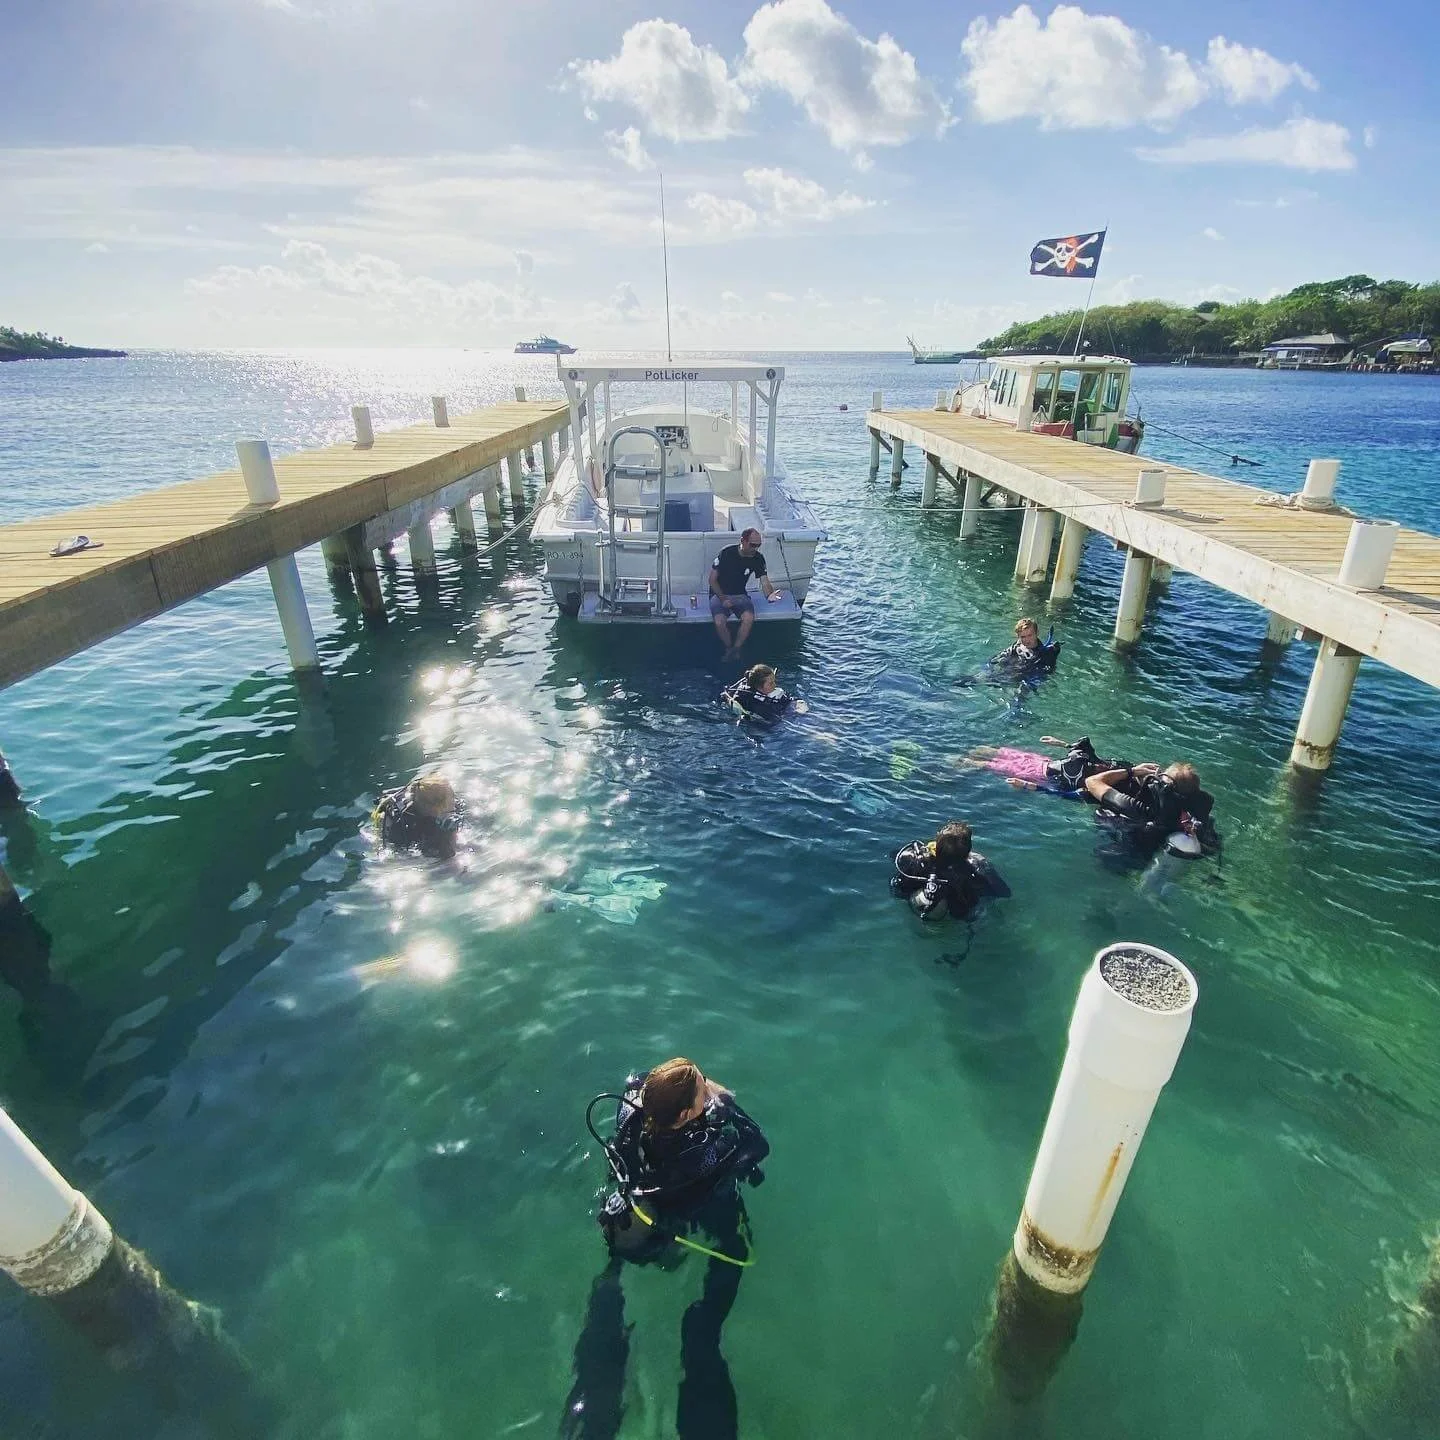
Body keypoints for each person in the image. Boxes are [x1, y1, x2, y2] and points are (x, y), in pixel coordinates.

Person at [565, 1058, 769, 1440]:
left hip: (637, 1212)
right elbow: (757, 1145)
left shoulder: (630, 1111)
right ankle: (702, 1332)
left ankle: (610, 1299)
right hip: (684, 1210)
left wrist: (691, 1087)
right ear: (686, 1114)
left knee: (619, 1263)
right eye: (700, 1092)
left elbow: (639, 1078)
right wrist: (725, 1100)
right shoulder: (707, 1152)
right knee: (735, 1249)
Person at [1084, 761, 1218, 859]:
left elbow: (1092, 781)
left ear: (1160, 788)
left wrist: (1132, 771)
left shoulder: (1136, 808)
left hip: (1123, 853)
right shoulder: (1195, 823)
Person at [890, 821, 1011, 921]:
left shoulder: (915, 858)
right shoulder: (975, 868)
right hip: (955, 913)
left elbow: (893, 856)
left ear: (937, 843)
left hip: (919, 903)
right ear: (967, 852)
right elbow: (1004, 893)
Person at [959, 735, 1131, 797]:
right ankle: (959, 750)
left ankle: (951, 765)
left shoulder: (1091, 788)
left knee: (985, 764)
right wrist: (1059, 743)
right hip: (1042, 761)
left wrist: (1026, 785)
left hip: (1037, 774)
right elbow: (1083, 744)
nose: (1106, 767)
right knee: (993, 751)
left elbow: (1061, 794)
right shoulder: (1097, 762)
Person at [708, 529, 784, 658]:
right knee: (719, 621)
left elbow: (764, 581)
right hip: (719, 594)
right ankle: (728, 647)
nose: (755, 548)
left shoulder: (758, 558)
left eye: (758, 545)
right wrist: (722, 599)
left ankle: (736, 649)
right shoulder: (726, 553)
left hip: (740, 594)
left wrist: (769, 595)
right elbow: (712, 580)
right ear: (743, 541)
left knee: (748, 618)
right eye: (753, 545)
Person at [372, 772, 461, 860]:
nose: (454, 800)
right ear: (439, 806)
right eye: (452, 797)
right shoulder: (405, 827)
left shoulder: (449, 807)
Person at [720, 664, 804, 726]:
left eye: (774, 681)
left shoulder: (768, 692)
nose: (775, 685)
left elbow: (790, 699)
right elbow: (772, 721)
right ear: (759, 687)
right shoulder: (755, 703)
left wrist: (797, 702)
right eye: (771, 683)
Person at [988, 617, 1061, 680]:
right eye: (1023, 637)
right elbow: (996, 659)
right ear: (1018, 637)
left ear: (1037, 633)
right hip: (1008, 673)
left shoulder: (1046, 653)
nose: (1027, 640)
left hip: (1025, 678)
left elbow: (1046, 673)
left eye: (1030, 635)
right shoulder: (1016, 647)